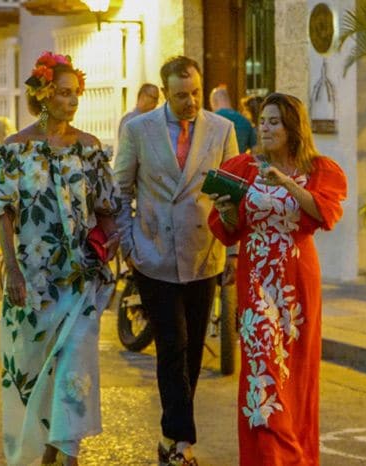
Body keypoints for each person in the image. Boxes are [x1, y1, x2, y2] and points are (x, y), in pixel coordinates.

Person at [0, 51, 120, 466]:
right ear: (42, 94)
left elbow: (106, 207)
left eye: (76, 93)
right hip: (35, 280)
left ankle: (68, 453)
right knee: (35, 371)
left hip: (81, 277)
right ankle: (44, 452)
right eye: (63, 93)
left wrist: (113, 248)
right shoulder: (15, 149)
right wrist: (13, 271)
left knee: (75, 365)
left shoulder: (89, 149)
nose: (72, 102)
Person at [207, 92, 347, 466]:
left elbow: (324, 213)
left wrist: (286, 182)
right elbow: (227, 230)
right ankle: (270, 458)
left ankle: (296, 455)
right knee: (262, 374)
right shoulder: (242, 167)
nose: (265, 129)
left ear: (292, 129)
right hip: (255, 282)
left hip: (297, 285)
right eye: (262, 122)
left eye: (274, 122)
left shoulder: (318, 170)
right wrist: (228, 212)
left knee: (297, 375)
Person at [114, 55, 239, 466]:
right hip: (154, 254)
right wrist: (129, 244)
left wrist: (234, 248)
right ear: (166, 93)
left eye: (196, 93)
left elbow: (234, 193)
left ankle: (170, 441)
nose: (190, 102)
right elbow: (121, 192)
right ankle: (182, 443)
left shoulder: (222, 129)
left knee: (191, 352)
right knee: (173, 344)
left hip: (204, 254)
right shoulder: (138, 129)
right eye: (182, 95)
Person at [209, 85, 257, 154]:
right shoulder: (245, 121)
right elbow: (255, 150)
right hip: (238, 163)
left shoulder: (210, 121)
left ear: (213, 103)